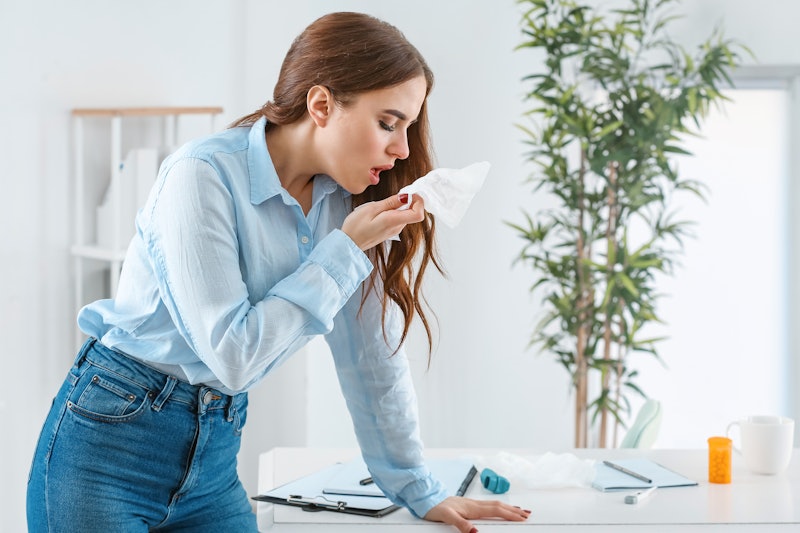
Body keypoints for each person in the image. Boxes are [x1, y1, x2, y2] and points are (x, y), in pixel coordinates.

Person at [27, 11, 530, 533]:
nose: (402, 149)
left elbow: (372, 359)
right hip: (108, 449)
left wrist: (419, 491)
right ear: (321, 104)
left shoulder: (345, 207)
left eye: (407, 127)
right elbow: (233, 359)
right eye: (388, 122)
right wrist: (343, 251)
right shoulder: (200, 177)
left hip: (213, 461)